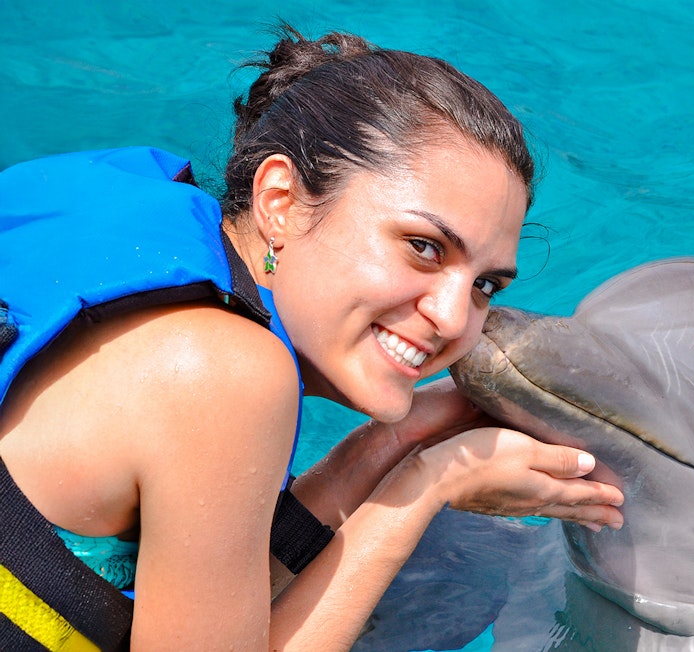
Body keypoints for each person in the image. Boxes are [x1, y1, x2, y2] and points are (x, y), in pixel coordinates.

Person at [0, 25, 624, 650]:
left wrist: (386, 448)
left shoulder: (150, 251)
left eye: (486, 284)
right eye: (423, 248)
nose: (456, 319)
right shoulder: (222, 370)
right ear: (281, 201)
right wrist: (425, 487)